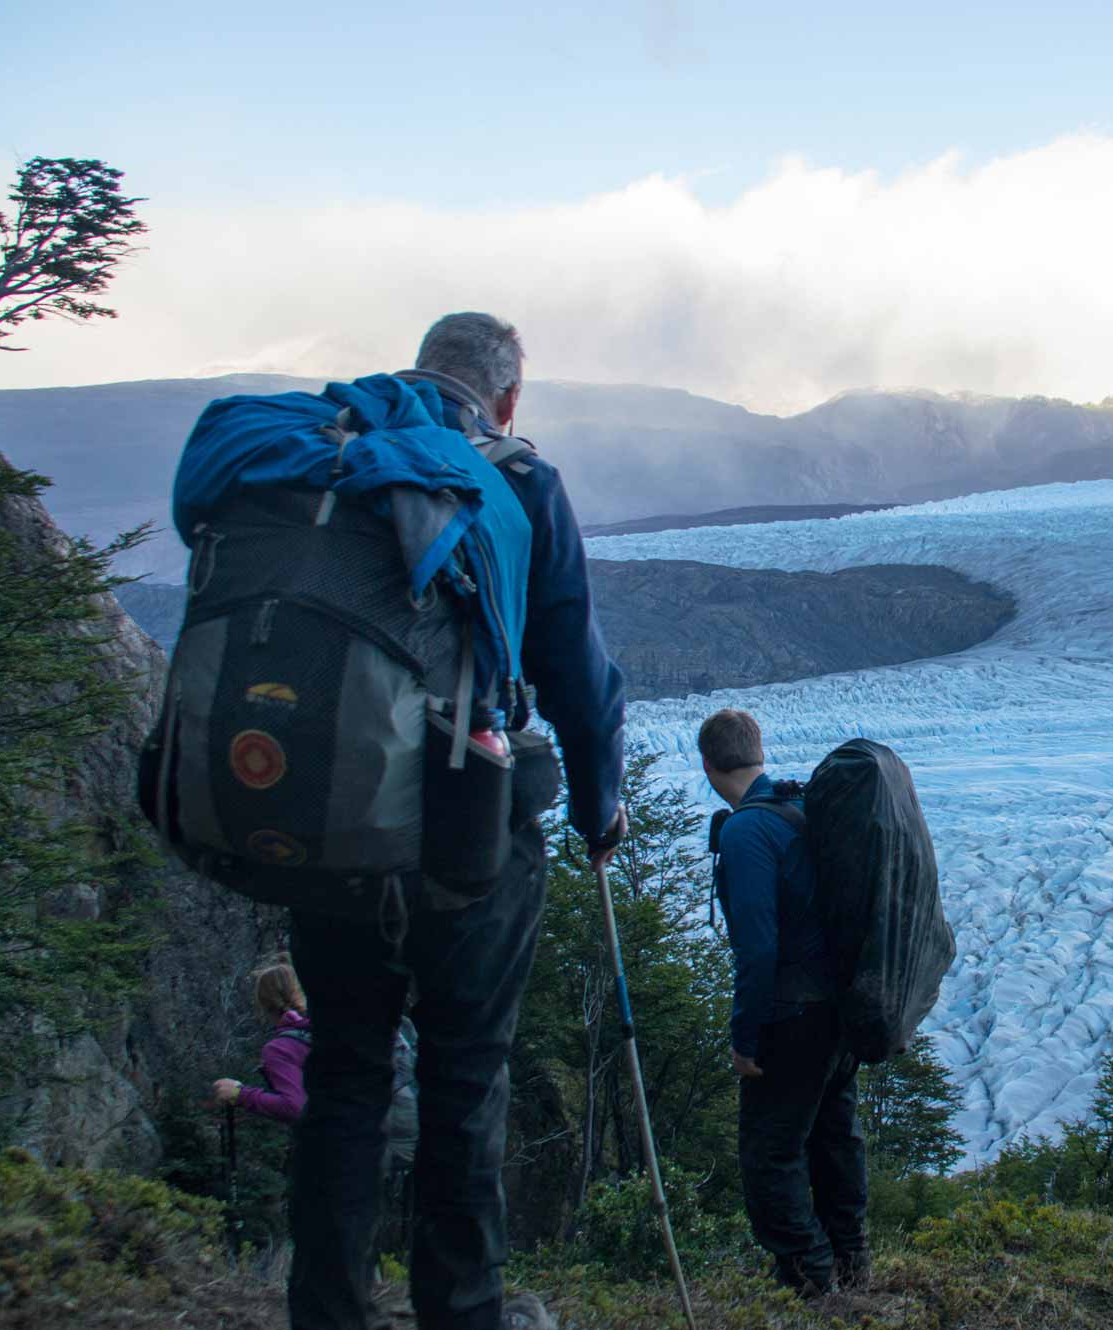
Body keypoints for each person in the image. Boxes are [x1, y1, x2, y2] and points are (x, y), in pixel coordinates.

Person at [285, 312, 629, 1330]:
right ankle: (463, 1311)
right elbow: (578, 672)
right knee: (464, 1075)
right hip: (465, 827)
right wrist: (598, 809)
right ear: (508, 395)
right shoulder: (517, 479)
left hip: (331, 814)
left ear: (420, 368)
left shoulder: (332, 452)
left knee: (344, 1070)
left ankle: (327, 1310)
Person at [699, 708, 868, 1296]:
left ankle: (810, 1284)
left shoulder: (748, 831)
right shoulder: (801, 811)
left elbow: (757, 948)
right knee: (832, 1138)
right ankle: (852, 1265)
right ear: (758, 752)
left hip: (793, 1015)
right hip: (839, 1013)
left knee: (771, 1154)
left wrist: (745, 1040)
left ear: (708, 764)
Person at [211, 956, 311, 1124]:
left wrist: (240, 1094)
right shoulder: (331, 1031)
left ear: (263, 1004)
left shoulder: (280, 1049)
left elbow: (295, 1107)